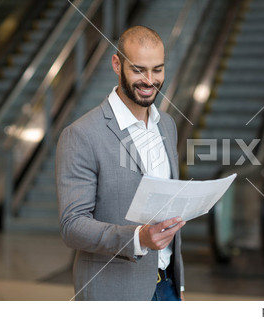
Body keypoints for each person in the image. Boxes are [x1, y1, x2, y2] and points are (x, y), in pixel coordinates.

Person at [56, 26, 185, 301]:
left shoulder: (168, 125)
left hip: (167, 287)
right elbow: (72, 225)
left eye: (158, 69)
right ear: (117, 64)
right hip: (114, 293)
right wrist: (139, 238)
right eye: (139, 70)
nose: (150, 80)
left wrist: (178, 286)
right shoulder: (81, 134)